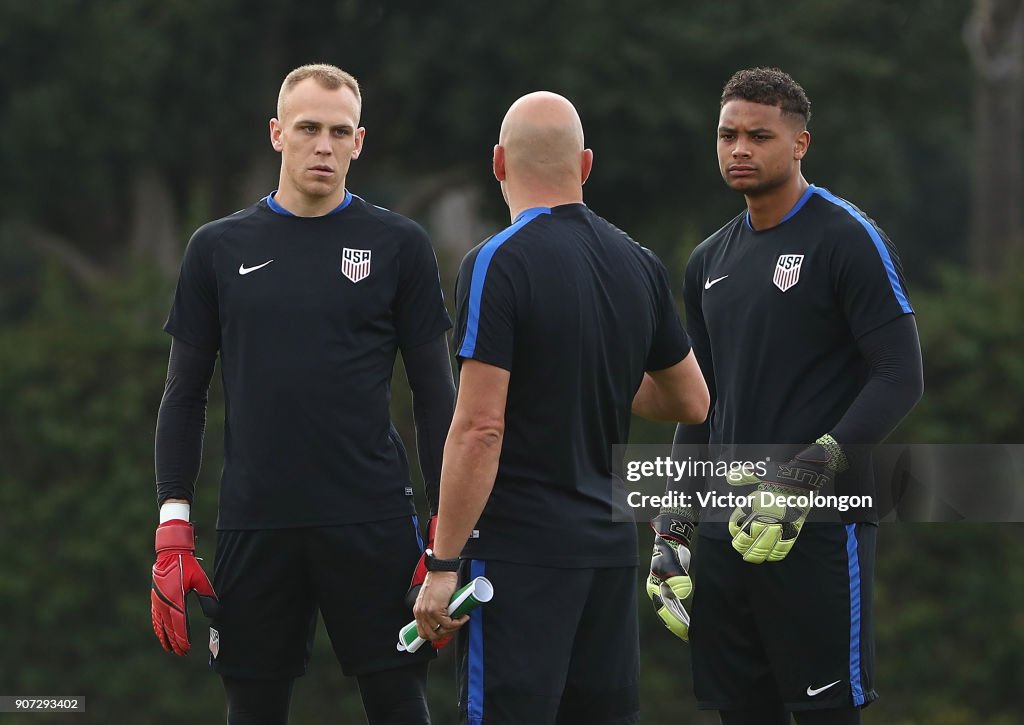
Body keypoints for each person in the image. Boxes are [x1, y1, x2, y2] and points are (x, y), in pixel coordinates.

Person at [149, 63, 455, 725]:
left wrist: (447, 528)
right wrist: (173, 523)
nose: (324, 145)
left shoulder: (399, 245)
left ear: (359, 142)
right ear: (276, 133)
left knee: (399, 702)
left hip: (371, 517)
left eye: (339, 132)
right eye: (308, 128)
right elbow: (183, 394)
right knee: (251, 708)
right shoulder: (215, 248)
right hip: (257, 520)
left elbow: (437, 396)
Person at [412, 91, 710, 725]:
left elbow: (479, 428)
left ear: (498, 162)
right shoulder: (639, 263)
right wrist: (596, 376)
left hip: (519, 559)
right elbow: (692, 399)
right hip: (608, 555)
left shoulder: (496, 262)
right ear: (586, 164)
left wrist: (443, 564)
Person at [646, 67, 924, 725]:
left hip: (821, 524)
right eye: (728, 135)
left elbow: (899, 376)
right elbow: (700, 407)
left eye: (759, 136)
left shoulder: (847, 237)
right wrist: (673, 524)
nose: (739, 149)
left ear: (800, 143)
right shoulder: (707, 260)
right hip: (727, 530)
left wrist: (809, 470)